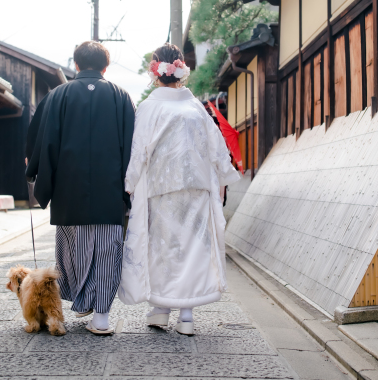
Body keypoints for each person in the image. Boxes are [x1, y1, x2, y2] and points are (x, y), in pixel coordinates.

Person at [119, 43, 241, 335]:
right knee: (193, 248)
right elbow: (216, 145)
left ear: (156, 70)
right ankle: (186, 316)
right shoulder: (195, 106)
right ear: (180, 69)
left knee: (164, 249)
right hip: (196, 187)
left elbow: (139, 151)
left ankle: (161, 310)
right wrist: (224, 175)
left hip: (163, 189)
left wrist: (129, 182)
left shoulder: (149, 107)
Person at [26, 41, 135, 335]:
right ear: (105, 67)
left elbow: (41, 140)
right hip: (111, 190)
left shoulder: (57, 95)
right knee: (108, 251)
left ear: (75, 64)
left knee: (73, 249)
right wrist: (131, 187)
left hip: (67, 190)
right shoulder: (121, 97)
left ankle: (81, 299)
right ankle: (100, 316)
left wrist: (34, 171)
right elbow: (133, 146)